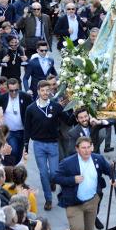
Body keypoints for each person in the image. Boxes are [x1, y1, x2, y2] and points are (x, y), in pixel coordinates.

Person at [52, 136, 116, 230]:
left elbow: (110, 170)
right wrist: (72, 179)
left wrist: (113, 178)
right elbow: (55, 177)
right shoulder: (68, 162)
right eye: (83, 148)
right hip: (74, 202)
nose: (87, 150)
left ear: (92, 147)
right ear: (77, 149)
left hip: (92, 201)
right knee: (77, 228)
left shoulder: (98, 159)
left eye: (88, 147)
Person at [24, 80, 71, 211]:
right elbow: (27, 128)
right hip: (38, 145)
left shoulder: (56, 106)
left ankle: (52, 181)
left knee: (54, 173)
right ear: (38, 91)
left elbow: (68, 120)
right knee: (43, 173)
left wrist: (76, 108)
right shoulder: (31, 108)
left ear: (50, 91)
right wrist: (26, 146)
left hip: (53, 144)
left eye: (47, 90)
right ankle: (48, 199)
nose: (45, 93)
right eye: (42, 90)